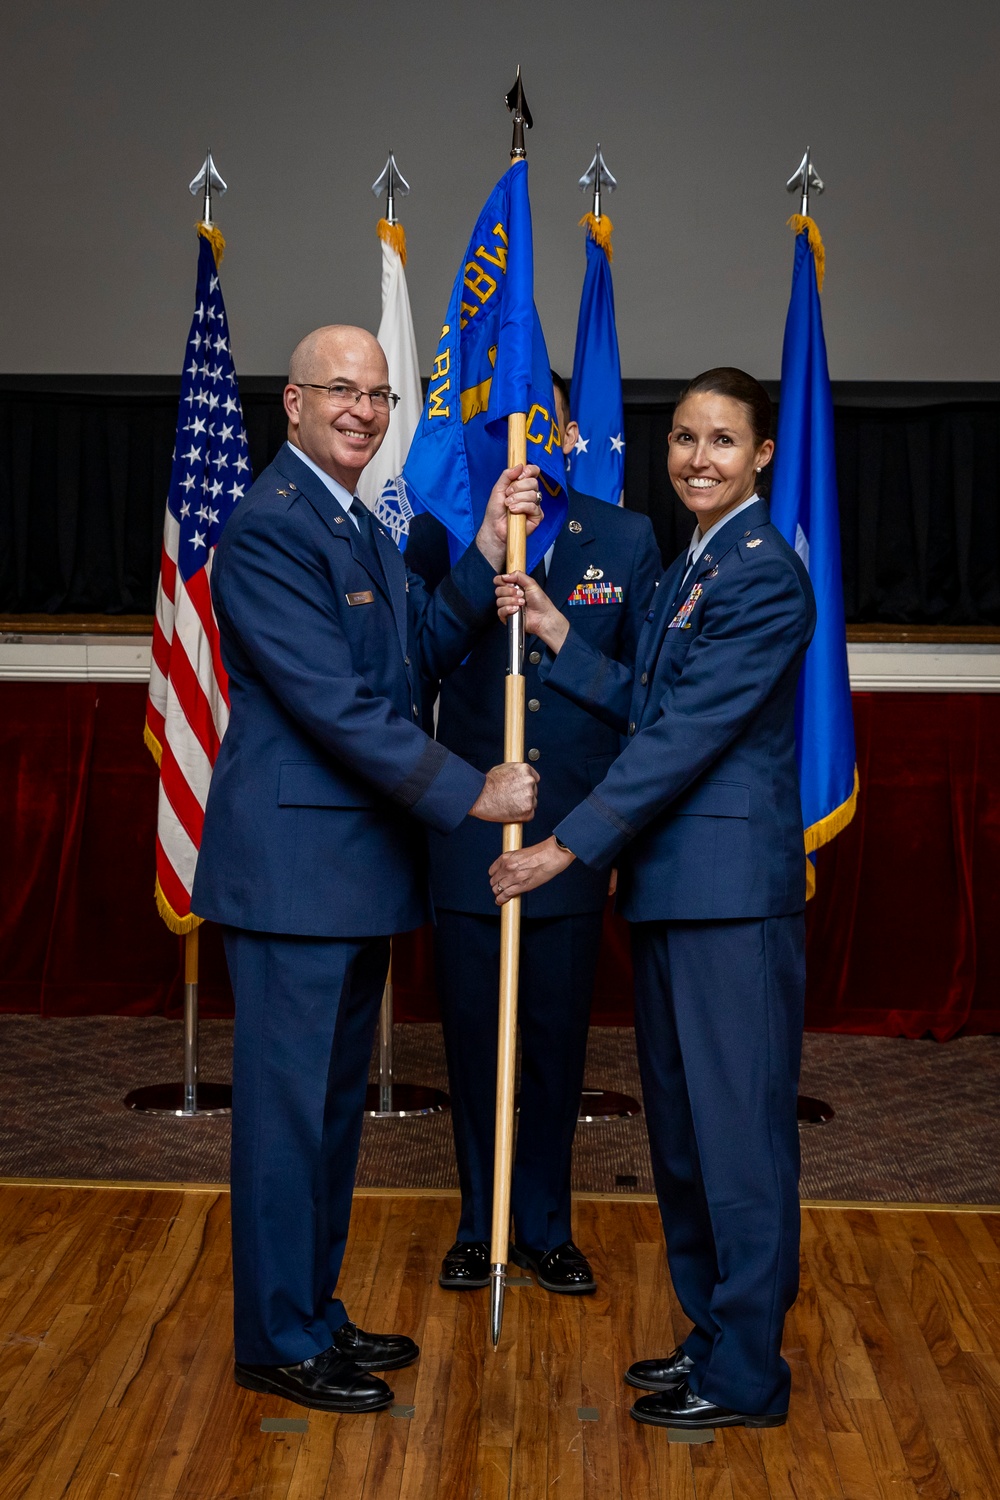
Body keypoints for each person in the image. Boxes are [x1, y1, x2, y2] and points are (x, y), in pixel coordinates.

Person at [191, 325, 544, 1414]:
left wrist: (485, 549)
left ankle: (309, 1311)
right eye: (341, 391)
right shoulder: (268, 528)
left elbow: (404, 663)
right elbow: (332, 708)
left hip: (346, 878)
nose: (363, 410)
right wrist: (468, 791)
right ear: (291, 403)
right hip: (294, 877)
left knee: (331, 1116)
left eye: (380, 395)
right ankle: (275, 1339)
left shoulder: (352, 523)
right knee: (289, 1122)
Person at [491, 368, 816, 1431]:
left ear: (760, 455)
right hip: (678, 892)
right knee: (683, 1142)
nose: (697, 460)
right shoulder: (691, 568)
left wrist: (564, 850)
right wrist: (555, 634)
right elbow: (649, 700)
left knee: (739, 1144)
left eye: (721, 442)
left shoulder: (763, 573)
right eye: (682, 440)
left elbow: (682, 738)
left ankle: (747, 1378)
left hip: (728, 901)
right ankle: (713, 1339)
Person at [405, 373, 660, 1295]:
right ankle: (482, 1224)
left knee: (554, 1044)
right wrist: (478, 560)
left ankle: (547, 1225)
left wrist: (555, 634)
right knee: (474, 1041)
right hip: (474, 827)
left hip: (572, 832)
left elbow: (645, 691)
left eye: (538, 420)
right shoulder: (443, 525)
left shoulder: (622, 536)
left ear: (560, 431)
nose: (523, 437)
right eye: (503, 422)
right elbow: (417, 662)